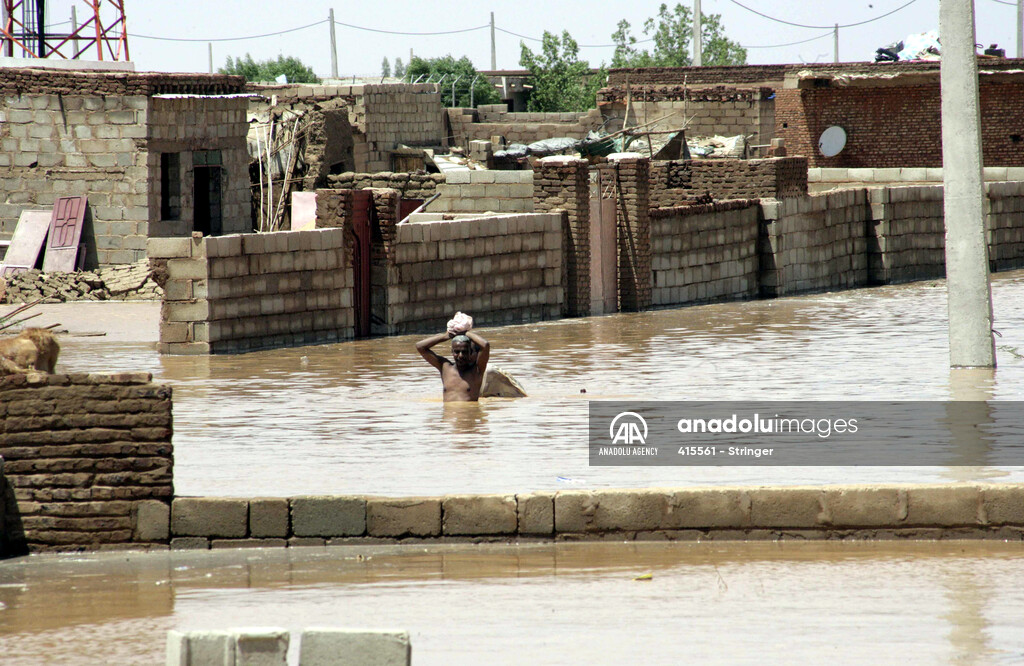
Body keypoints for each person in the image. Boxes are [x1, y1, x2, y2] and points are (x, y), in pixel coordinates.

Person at [416, 327, 490, 402]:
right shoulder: (444, 367)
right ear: (452, 352)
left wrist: (465, 333)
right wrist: (446, 336)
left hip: (469, 413)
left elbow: (485, 345)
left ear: (470, 353)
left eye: (464, 352)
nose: (460, 355)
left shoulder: (476, 370)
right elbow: (420, 346)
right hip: (448, 413)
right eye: (457, 352)